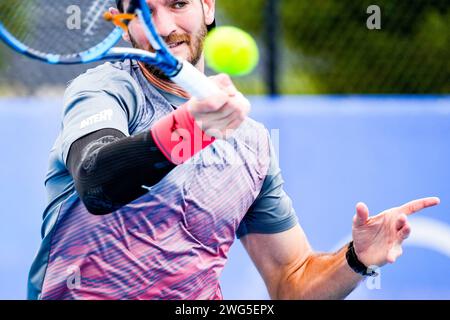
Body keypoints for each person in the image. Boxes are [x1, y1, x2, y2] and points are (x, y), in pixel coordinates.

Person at [28, 0, 440, 300]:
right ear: (123, 24)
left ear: (208, 7)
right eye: (143, 11)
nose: (164, 26)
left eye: (178, 4)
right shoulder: (103, 91)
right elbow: (97, 182)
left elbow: (291, 282)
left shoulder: (251, 142)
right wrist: (191, 129)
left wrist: (356, 259)